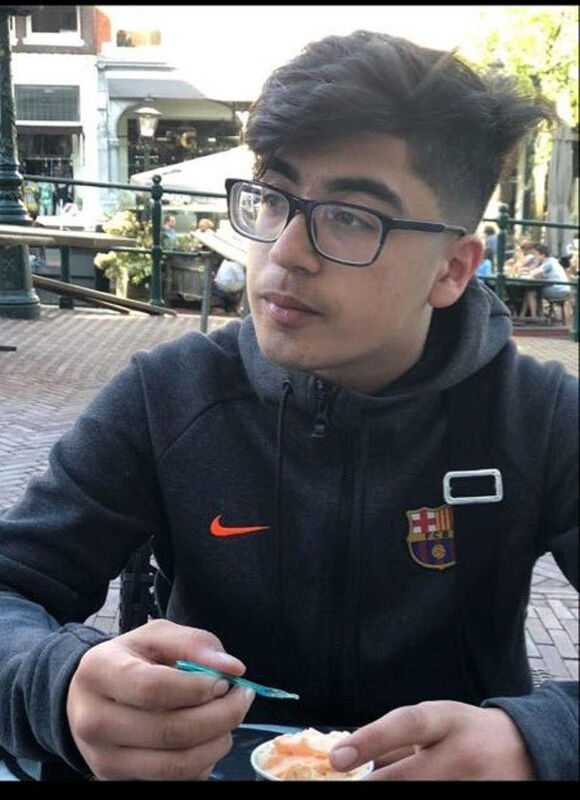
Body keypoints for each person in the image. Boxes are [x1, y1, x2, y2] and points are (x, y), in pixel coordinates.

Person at [0, 30, 577, 783]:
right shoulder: (167, 396)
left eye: (351, 217)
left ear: (452, 268)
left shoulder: (539, 419)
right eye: (274, 199)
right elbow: (13, 585)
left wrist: (538, 741)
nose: (286, 250)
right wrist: (61, 684)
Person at [519, 242, 571, 319]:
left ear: (542, 255)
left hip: (558, 290)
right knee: (530, 291)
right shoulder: (553, 261)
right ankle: (523, 316)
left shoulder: (548, 263)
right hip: (563, 289)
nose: (535, 257)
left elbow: (534, 273)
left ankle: (533, 317)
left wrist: (528, 272)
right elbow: (538, 275)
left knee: (531, 292)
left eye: (536, 255)